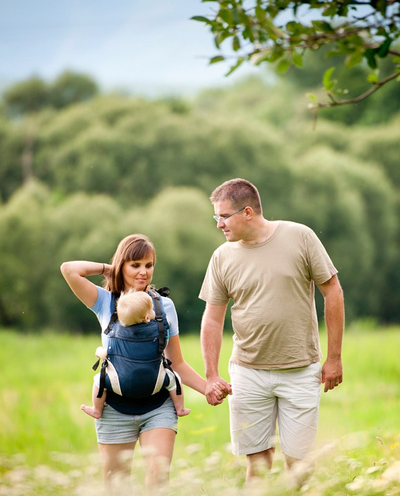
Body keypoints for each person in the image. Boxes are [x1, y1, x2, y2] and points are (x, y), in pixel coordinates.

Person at [199, 178, 345, 483]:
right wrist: (211, 374)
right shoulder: (222, 257)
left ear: (248, 212)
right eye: (217, 217)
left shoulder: (300, 236)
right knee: (259, 467)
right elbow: (212, 318)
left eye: (224, 217)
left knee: (300, 467)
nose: (219, 225)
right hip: (247, 373)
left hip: (301, 370)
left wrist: (334, 358)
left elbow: (332, 292)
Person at [61, 234, 218, 491]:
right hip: (113, 410)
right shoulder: (104, 301)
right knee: (115, 486)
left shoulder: (164, 306)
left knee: (158, 482)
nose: (143, 272)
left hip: (158, 407)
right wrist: (109, 269)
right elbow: (69, 270)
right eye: (135, 265)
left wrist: (207, 388)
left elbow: (176, 363)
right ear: (122, 265)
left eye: (148, 264)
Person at [81, 289, 191, 419]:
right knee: (174, 379)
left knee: (99, 380)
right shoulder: (158, 330)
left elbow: (104, 353)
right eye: (151, 310)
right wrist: (154, 315)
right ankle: (180, 408)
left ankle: (96, 410)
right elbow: (165, 319)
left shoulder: (116, 336)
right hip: (154, 383)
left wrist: (98, 351)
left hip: (120, 386)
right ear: (146, 317)